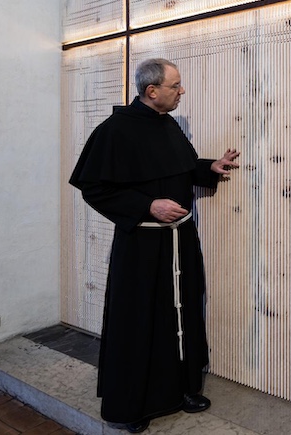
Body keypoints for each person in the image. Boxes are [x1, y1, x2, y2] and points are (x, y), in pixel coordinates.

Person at [69, 58, 240, 433]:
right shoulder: (114, 130)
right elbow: (95, 188)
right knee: (141, 320)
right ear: (152, 91)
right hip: (142, 244)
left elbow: (178, 167)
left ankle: (183, 388)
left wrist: (208, 167)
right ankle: (133, 406)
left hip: (181, 238)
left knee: (182, 314)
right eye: (176, 85)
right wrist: (147, 205)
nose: (182, 91)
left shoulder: (167, 125)